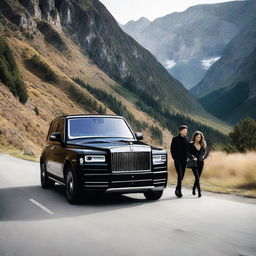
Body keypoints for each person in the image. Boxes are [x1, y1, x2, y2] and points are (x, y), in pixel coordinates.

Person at [186, 131, 207, 198]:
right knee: (197, 177)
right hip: (193, 163)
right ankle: (199, 192)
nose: (199, 138)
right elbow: (187, 153)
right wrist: (192, 157)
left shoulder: (202, 144)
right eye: (197, 137)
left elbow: (204, 153)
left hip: (201, 162)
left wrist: (203, 157)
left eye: (200, 137)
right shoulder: (190, 144)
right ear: (194, 137)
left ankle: (193, 188)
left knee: (197, 177)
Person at [170, 125, 189, 198]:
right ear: (180, 131)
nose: (185, 132)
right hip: (177, 160)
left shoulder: (187, 140)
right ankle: (179, 190)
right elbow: (172, 149)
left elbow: (188, 150)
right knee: (180, 175)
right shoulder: (174, 139)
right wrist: (174, 157)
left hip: (184, 161)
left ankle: (177, 188)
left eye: (186, 131)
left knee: (182, 176)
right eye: (184, 131)